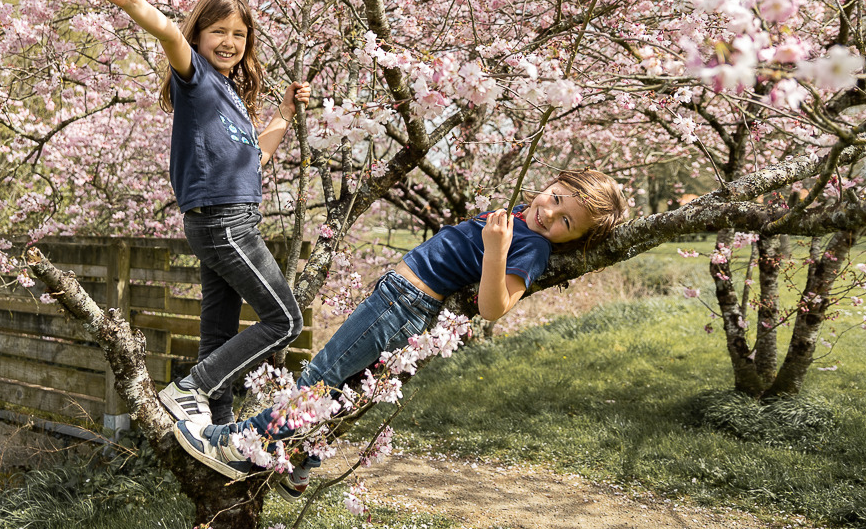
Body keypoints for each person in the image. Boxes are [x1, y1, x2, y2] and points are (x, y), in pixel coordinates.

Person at [173, 169, 628, 496]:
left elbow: (494, 308)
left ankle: (228, 444)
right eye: (553, 197)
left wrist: (495, 250)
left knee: (319, 380)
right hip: (400, 305)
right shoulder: (519, 221)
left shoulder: (528, 247)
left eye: (566, 221)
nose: (549, 213)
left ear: (573, 241)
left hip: (399, 305)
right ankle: (298, 464)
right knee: (337, 393)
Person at [70, 0, 309, 426]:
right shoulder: (196, 77)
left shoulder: (232, 99)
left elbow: (256, 155)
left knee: (217, 338)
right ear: (198, 35)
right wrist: (132, 0)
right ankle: (191, 389)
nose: (229, 41)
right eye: (218, 30)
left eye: (239, 34)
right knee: (285, 321)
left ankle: (212, 431)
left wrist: (283, 112)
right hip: (224, 223)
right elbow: (165, 32)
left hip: (230, 222)